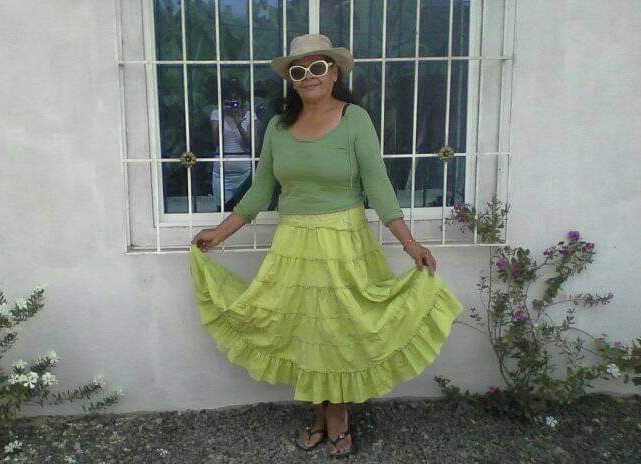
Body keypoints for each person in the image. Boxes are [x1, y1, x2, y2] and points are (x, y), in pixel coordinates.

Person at [189, 33, 464, 458]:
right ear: (292, 80)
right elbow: (260, 190)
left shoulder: (355, 120)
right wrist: (219, 233)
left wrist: (409, 243)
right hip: (293, 245)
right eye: (298, 71)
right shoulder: (279, 127)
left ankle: (337, 418)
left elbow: (378, 185)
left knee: (338, 331)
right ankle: (321, 414)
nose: (309, 76)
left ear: (334, 72)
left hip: (343, 244)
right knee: (307, 332)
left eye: (317, 67)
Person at [210, 78, 258, 211]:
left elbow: (253, 145)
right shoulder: (217, 114)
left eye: (236, 98)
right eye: (229, 99)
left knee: (244, 212)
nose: (233, 102)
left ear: (242, 99)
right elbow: (215, 143)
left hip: (244, 175)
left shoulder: (249, 115)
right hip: (221, 175)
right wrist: (222, 115)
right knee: (222, 211)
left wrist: (239, 125)